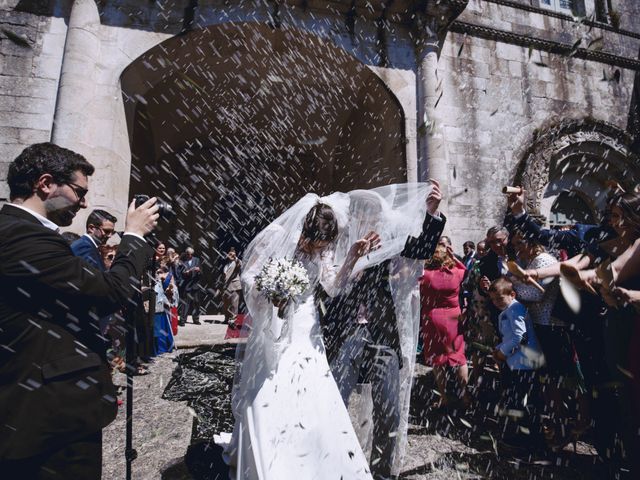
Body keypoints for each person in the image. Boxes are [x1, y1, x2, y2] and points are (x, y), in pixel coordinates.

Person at [222, 183, 434, 480]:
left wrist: (352, 257)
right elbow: (249, 276)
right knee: (272, 386)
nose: (320, 251)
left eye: (325, 247)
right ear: (306, 231)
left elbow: (333, 287)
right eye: (317, 245)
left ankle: (315, 458)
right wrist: (270, 293)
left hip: (308, 328)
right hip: (278, 323)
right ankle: (271, 454)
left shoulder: (327, 251)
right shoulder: (276, 237)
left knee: (315, 395)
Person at [0, 142, 158, 479]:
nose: (85, 203)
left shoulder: (25, 233)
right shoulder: (20, 236)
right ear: (45, 184)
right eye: (78, 191)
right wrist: (134, 236)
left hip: (49, 409)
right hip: (48, 416)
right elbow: (109, 292)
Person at [326, 181, 445, 478]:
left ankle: (381, 473)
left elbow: (422, 247)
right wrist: (354, 259)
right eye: (366, 215)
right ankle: (333, 467)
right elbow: (327, 288)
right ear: (354, 217)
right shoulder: (338, 243)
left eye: (376, 216)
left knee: (389, 410)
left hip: (382, 333)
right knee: (334, 406)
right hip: (345, 333)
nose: (372, 221)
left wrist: (431, 213)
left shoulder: (390, 240)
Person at [488, 277, 544, 445]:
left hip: (524, 362)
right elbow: (510, 336)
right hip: (518, 362)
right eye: (493, 299)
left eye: (499, 298)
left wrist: (503, 352)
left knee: (523, 401)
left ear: (512, 294)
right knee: (518, 400)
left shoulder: (515, 309)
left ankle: (530, 439)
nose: (496, 302)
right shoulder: (508, 310)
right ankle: (525, 435)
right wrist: (498, 348)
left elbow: (520, 336)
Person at [420, 243, 469, 409]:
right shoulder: (456, 273)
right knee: (459, 357)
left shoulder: (425, 275)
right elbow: (465, 268)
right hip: (453, 317)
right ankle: (465, 396)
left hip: (432, 318)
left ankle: (444, 397)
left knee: (437, 359)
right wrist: (453, 257)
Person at [153, 265, 176, 355]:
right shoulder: (152, 280)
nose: (158, 274)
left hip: (160, 306)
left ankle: (164, 347)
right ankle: (157, 349)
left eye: (159, 272)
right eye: (157, 272)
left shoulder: (159, 280)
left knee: (161, 328)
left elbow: (161, 293)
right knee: (156, 330)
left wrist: (167, 302)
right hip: (154, 307)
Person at [178, 246, 203, 325]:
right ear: (186, 254)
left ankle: (196, 319)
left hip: (195, 284)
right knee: (185, 303)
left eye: (191, 254)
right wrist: (185, 273)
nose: (190, 256)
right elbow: (180, 273)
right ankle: (182, 320)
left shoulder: (197, 260)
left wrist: (198, 270)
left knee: (196, 302)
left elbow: (201, 272)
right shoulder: (182, 261)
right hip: (187, 285)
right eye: (188, 254)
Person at [222, 247, 242, 328]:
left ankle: (233, 321)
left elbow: (239, 264)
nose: (230, 255)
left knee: (234, 305)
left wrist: (235, 258)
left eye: (232, 254)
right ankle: (226, 319)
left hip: (234, 286)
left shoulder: (236, 262)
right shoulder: (225, 264)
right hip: (226, 286)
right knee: (226, 304)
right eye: (229, 254)